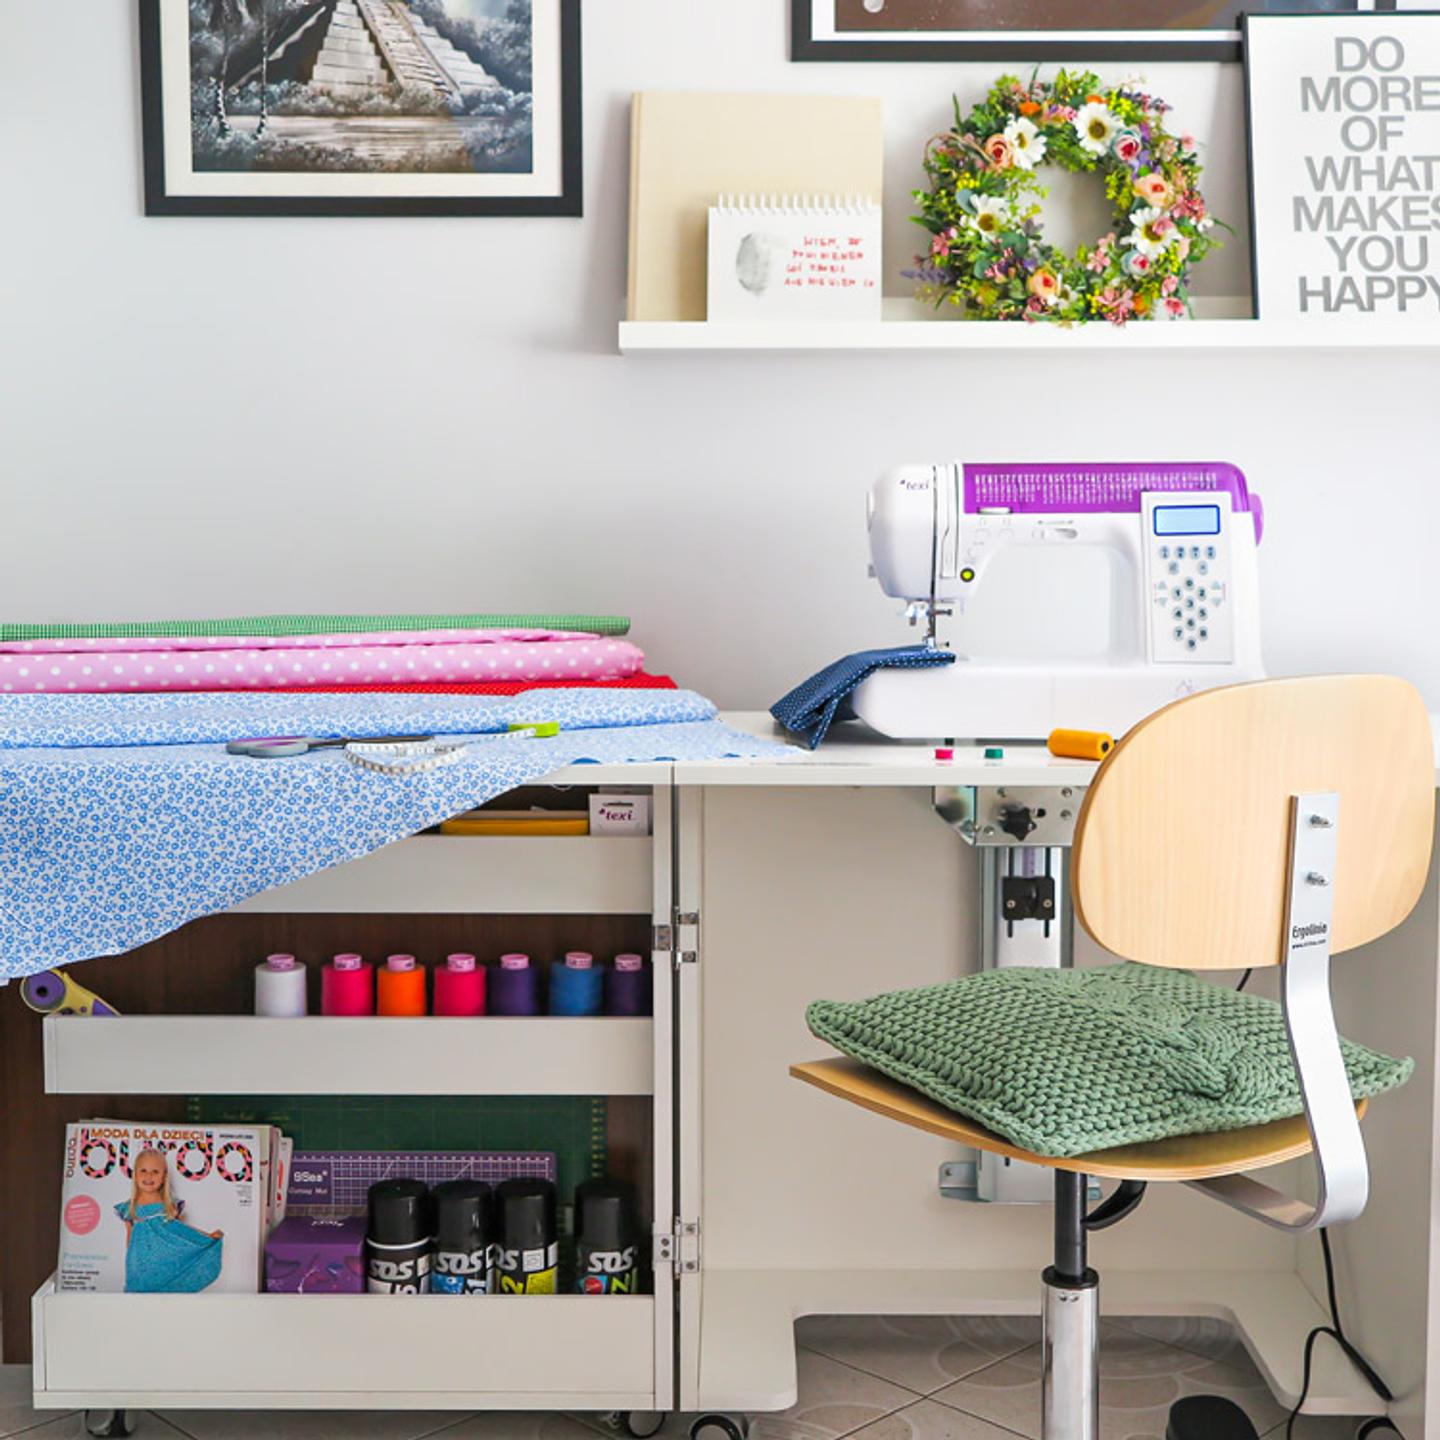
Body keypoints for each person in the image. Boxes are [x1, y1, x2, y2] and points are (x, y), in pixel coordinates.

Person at [113, 1147, 225, 1293]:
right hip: (140, 1267)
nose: (149, 1176)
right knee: (140, 1301)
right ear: (135, 1174)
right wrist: (133, 1266)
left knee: (167, 1299)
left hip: (164, 1265)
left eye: (155, 1172)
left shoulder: (168, 1204)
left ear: (164, 1176)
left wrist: (207, 1237)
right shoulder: (129, 1208)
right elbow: (129, 1241)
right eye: (143, 1171)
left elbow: (182, 1231)